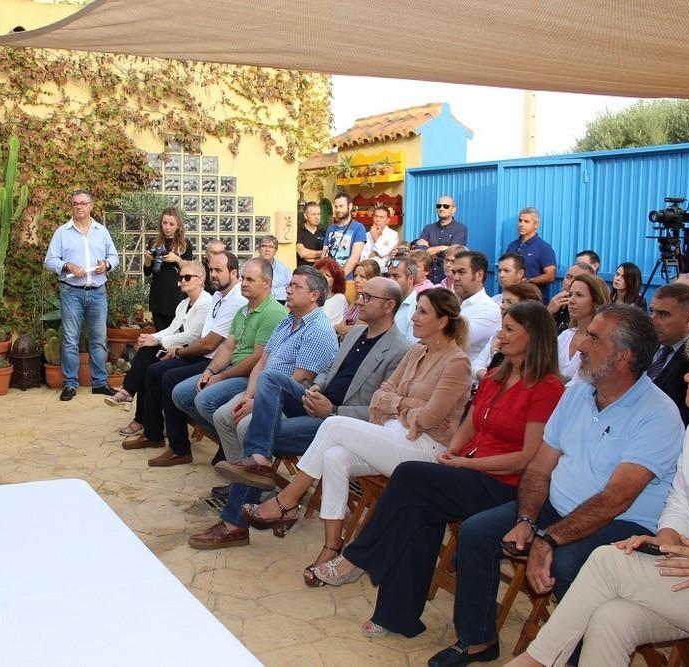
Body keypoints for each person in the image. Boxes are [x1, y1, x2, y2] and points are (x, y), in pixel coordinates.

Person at [426, 304, 683, 666]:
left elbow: (616, 499)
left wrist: (548, 539)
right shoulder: (577, 394)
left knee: (567, 563)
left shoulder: (657, 414)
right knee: (478, 532)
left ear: (624, 356)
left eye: (593, 339)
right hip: (556, 506)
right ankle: (478, 640)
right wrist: (528, 520)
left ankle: (572, 658)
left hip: (621, 524)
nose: (580, 346)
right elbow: (539, 468)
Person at [310, 302, 564, 647]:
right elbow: (469, 425)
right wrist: (454, 451)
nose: (500, 335)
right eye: (501, 327)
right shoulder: (495, 376)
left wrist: (465, 464)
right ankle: (397, 616)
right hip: (467, 469)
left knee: (411, 477)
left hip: (503, 484)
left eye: (509, 330)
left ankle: (359, 556)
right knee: (417, 510)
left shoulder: (547, 388)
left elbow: (526, 458)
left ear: (533, 338)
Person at [505, 316, 689, 667]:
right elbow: (680, 504)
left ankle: (535, 660)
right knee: (611, 619)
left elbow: (619, 495)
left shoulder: (663, 414)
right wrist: (665, 543)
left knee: (606, 561)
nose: (687, 376)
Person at [239, 288, 471, 581]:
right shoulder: (417, 352)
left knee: (332, 426)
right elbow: (380, 396)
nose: (413, 317)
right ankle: (332, 546)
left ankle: (287, 501)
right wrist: (407, 405)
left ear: (443, 321)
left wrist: (399, 405)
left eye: (423, 311)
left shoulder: (457, 363)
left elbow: (429, 419)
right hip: (392, 435)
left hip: (424, 450)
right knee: (335, 457)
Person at [187, 277, 409, 550]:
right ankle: (259, 461)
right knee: (270, 379)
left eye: (367, 298)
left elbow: (384, 412)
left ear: (388, 306)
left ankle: (234, 523)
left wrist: (333, 409)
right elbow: (329, 371)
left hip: (339, 421)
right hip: (317, 401)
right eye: (360, 295)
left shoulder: (400, 350)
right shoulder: (354, 334)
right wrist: (316, 389)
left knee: (258, 433)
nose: (359, 301)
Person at [121, 251, 245, 466]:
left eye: (218, 270)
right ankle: (153, 434)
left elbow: (208, 343)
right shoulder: (218, 296)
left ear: (234, 273)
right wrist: (165, 343)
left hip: (216, 362)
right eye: (211, 269)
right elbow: (195, 336)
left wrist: (178, 350)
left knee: (168, 377)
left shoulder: (234, 301)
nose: (213, 274)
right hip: (204, 355)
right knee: (153, 370)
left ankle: (180, 449)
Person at [209, 265, 340, 466]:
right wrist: (248, 396)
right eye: (289, 285)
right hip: (264, 390)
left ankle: (259, 486)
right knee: (222, 416)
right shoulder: (287, 321)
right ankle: (239, 475)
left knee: (245, 425)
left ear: (314, 295)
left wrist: (259, 401)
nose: (288, 290)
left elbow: (298, 380)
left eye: (296, 286)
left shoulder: (318, 330)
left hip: (290, 400)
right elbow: (262, 362)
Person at [170, 258, 287, 469]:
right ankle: (227, 442)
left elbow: (257, 359)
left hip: (250, 376)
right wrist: (210, 370)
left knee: (204, 399)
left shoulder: (273, 313)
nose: (243, 283)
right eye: (243, 278)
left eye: (250, 279)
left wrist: (221, 376)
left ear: (267, 284)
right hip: (231, 369)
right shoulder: (244, 309)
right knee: (180, 393)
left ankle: (234, 454)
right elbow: (228, 347)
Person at [105, 260, 211, 415]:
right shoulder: (184, 303)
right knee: (146, 352)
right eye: (180, 278)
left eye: (187, 277)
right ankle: (133, 403)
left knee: (150, 365)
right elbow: (172, 329)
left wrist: (157, 340)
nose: (182, 281)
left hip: (192, 353)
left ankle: (130, 397)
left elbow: (192, 336)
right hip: (177, 348)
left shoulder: (206, 302)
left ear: (201, 279)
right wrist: (149, 337)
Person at [44, 189, 120, 400]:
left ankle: (100, 383)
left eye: (83, 203)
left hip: (97, 291)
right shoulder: (62, 232)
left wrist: (106, 264)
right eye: (75, 203)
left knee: (98, 339)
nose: (79, 207)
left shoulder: (101, 231)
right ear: (72, 207)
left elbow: (114, 257)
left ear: (91, 206)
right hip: (71, 293)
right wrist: (67, 266)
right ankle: (70, 384)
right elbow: (50, 261)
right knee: (70, 339)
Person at [648, 283, 689, 426]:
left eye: (663, 314)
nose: (653, 320)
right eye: (651, 311)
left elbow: (688, 416)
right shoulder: (648, 343)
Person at [473, 282, 543, 381]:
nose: (502, 306)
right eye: (502, 301)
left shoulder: (527, 342)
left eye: (509, 302)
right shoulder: (498, 333)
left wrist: (495, 354)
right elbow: (475, 366)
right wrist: (489, 377)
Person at [143, 207, 193, 332]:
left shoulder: (185, 245)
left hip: (177, 295)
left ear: (178, 226)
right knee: (160, 334)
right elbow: (148, 272)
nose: (167, 227)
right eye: (164, 223)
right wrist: (148, 260)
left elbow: (190, 271)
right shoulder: (154, 243)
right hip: (158, 295)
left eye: (171, 224)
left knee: (176, 334)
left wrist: (176, 259)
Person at [450, 251, 502, 363]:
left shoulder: (488, 309)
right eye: (454, 272)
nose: (455, 277)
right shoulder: (451, 302)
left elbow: (451, 341)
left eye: (461, 272)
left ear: (479, 275)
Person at [557, 273, 609, 383]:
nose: (571, 300)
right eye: (570, 294)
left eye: (579, 295)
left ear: (596, 302)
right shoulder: (565, 336)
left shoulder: (601, 343)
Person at [504, 207, 557, 299]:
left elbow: (550, 276)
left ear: (536, 225)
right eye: (520, 221)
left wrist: (528, 281)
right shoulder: (512, 246)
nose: (521, 224)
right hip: (511, 298)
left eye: (526, 221)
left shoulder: (544, 247)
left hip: (532, 301)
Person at [416, 195, 467, 284]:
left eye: (446, 206)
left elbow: (454, 252)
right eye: (439, 206)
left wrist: (429, 250)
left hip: (447, 279)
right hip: (428, 279)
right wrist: (443, 248)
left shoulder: (460, 229)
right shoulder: (428, 228)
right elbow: (420, 252)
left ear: (453, 210)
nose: (442, 208)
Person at [321, 192, 367, 279]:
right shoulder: (330, 229)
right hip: (329, 279)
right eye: (336, 206)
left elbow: (354, 258)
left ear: (350, 206)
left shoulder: (358, 228)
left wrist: (339, 278)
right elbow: (324, 254)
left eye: (341, 206)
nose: (338, 210)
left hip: (347, 280)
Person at [336, 259, 381, 338]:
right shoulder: (357, 298)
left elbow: (358, 330)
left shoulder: (373, 303)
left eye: (362, 277)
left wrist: (336, 328)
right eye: (355, 276)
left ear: (373, 279)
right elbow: (342, 325)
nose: (357, 280)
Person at [547, 260, 595, 333]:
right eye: (568, 277)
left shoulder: (588, 313)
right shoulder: (554, 305)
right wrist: (548, 311)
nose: (570, 283)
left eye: (578, 279)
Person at [388, 254, 419, 343]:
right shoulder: (385, 302)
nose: (390, 280)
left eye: (396, 276)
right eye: (388, 275)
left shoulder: (417, 307)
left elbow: (412, 347)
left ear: (410, 279)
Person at [314, 257, 350, 326]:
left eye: (327, 275)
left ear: (335, 281)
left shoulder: (339, 298)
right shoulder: (308, 295)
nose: (323, 277)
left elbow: (332, 325)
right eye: (320, 273)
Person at [257, 235, 292, 302]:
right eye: (264, 246)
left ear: (276, 250)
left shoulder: (284, 270)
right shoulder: (249, 267)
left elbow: (292, 289)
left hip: (281, 303)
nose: (267, 250)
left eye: (271, 247)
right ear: (259, 249)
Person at [296, 201, 325, 267]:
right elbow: (302, 253)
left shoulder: (324, 231)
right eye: (314, 214)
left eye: (319, 214)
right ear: (305, 216)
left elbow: (328, 255)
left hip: (319, 273)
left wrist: (309, 257)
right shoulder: (299, 231)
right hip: (304, 272)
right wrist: (322, 253)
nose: (317, 217)